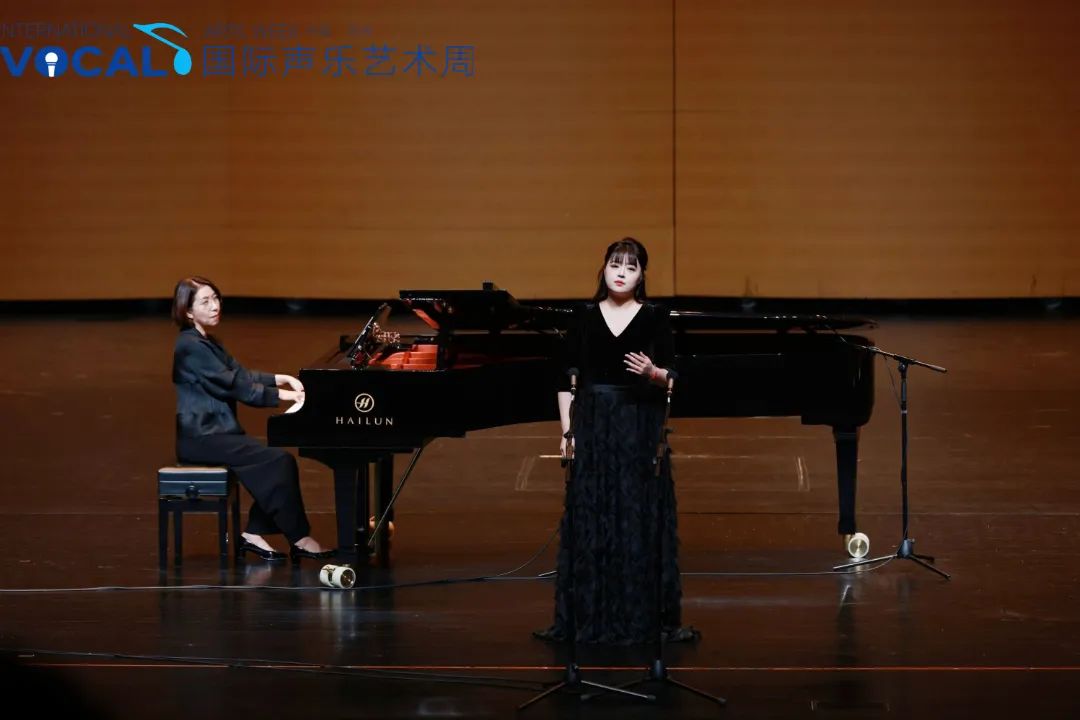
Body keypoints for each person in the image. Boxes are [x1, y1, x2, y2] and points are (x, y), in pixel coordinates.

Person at [536, 238, 698, 645]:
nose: (621, 272)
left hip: (637, 429)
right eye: (615, 264)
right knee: (591, 516)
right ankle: (589, 615)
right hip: (592, 424)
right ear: (603, 269)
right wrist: (567, 433)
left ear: (642, 276)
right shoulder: (583, 316)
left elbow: (675, 378)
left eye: (630, 266)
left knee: (635, 517)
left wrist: (653, 372)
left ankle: (639, 615)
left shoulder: (655, 317)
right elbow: (566, 379)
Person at [171, 276, 334, 562]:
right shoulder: (189, 346)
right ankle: (298, 538)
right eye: (205, 302)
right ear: (188, 311)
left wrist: (279, 378)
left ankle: (255, 534)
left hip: (218, 433)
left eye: (216, 298)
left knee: (279, 462)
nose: (215, 306)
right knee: (278, 461)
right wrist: (284, 395)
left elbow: (241, 374)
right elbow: (235, 385)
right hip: (202, 437)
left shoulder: (206, 342)